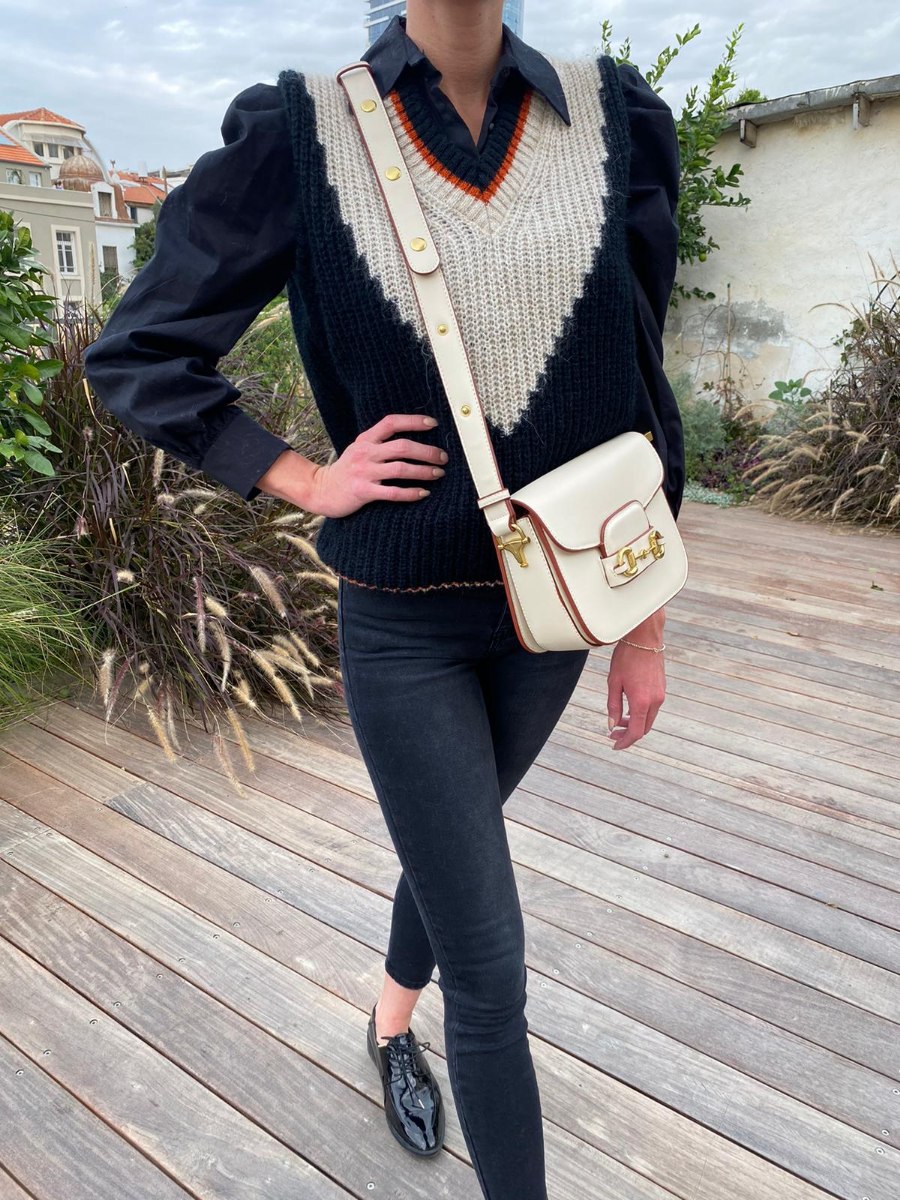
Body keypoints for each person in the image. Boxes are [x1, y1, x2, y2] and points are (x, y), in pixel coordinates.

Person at [82, 2, 683, 1196]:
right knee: (492, 969)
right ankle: (429, 1048)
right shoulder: (301, 132)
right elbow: (140, 350)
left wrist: (644, 621)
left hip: (559, 604)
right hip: (403, 621)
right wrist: (303, 477)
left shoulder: (613, 117)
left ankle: (388, 1016)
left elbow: (642, 387)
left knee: (455, 842)